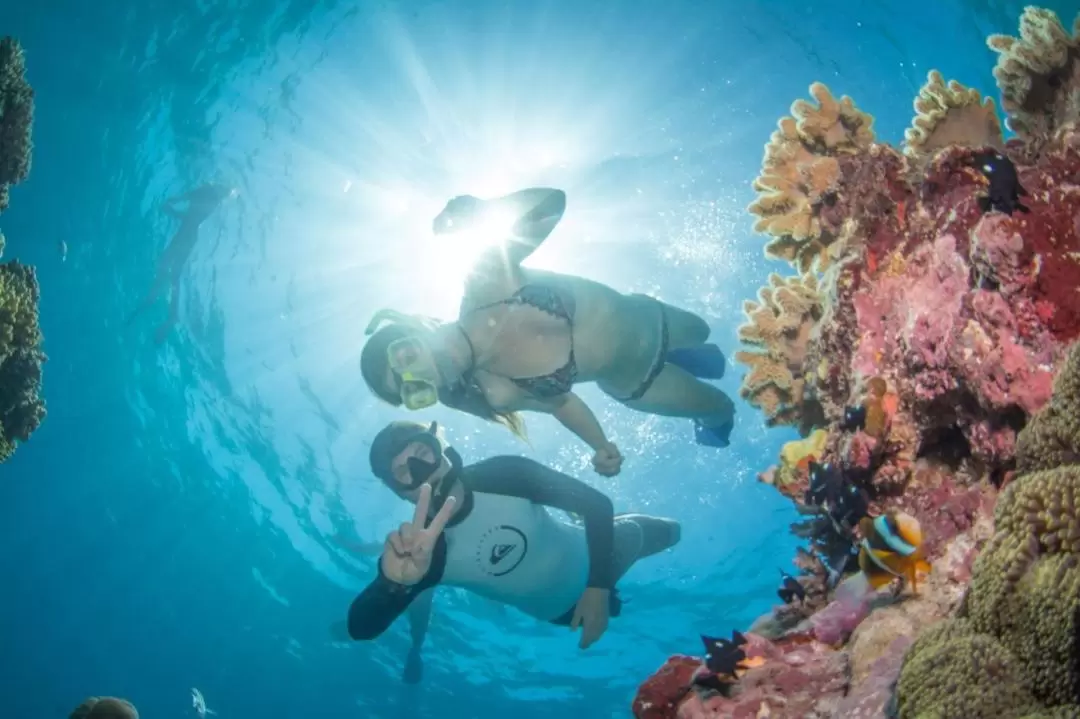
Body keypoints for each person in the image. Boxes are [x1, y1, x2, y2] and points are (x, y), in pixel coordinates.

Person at [360, 187, 734, 477]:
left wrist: (484, 211)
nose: (422, 374)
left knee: (702, 330)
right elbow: (562, 405)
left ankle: (692, 359)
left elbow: (552, 203)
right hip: (639, 383)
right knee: (721, 409)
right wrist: (601, 446)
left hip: (649, 316)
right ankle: (705, 414)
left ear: (419, 328)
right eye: (413, 388)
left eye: (406, 357)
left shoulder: (485, 282)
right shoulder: (497, 390)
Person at [339, 420, 681, 680]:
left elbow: (597, 505)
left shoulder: (505, 475)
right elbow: (361, 629)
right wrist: (392, 583)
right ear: (400, 493)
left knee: (666, 532)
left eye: (422, 453)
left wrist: (598, 588)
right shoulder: (427, 555)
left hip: (600, 557)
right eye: (402, 472)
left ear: (441, 448)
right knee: (617, 604)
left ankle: (616, 551)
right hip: (563, 615)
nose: (419, 471)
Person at [126, 182, 236, 343]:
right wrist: (172, 207)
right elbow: (190, 217)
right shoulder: (212, 199)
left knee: (167, 268)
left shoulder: (206, 192)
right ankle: (167, 310)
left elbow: (188, 214)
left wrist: (170, 207)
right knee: (171, 271)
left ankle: (160, 305)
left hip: (186, 235)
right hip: (188, 236)